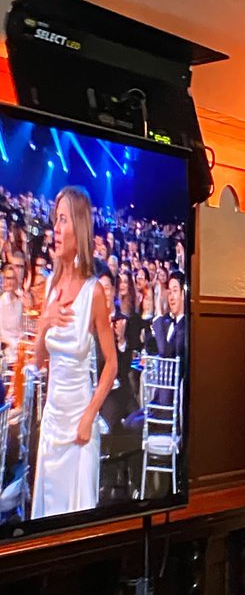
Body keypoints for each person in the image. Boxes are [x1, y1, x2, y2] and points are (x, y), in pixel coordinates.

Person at [31, 187, 117, 519]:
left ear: (78, 227)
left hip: (80, 427)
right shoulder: (50, 286)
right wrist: (43, 325)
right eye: (55, 220)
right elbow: (38, 361)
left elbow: (111, 364)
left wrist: (89, 415)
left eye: (63, 220)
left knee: (77, 521)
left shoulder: (94, 292)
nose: (56, 228)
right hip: (52, 425)